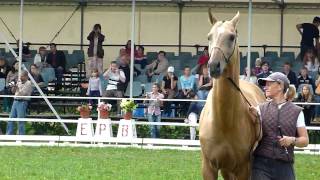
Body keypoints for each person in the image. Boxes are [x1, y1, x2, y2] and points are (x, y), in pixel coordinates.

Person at [250, 72, 309, 180]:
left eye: (269, 84)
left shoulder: (297, 112)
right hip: (260, 165)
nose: (265, 87)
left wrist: (292, 140)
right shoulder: (259, 109)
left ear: (280, 86)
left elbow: (305, 141)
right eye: (265, 84)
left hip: (285, 165)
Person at [6, 71, 33, 135]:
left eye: (22, 76)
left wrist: (18, 88)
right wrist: (14, 86)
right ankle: (9, 134)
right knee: (10, 119)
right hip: (15, 101)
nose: (20, 77)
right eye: (20, 76)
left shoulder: (28, 83)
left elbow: (23, 94)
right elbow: (13, 92)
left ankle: (21, 135)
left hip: (22, 102)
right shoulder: (19, 82)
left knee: (20, 120)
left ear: (26, 76)